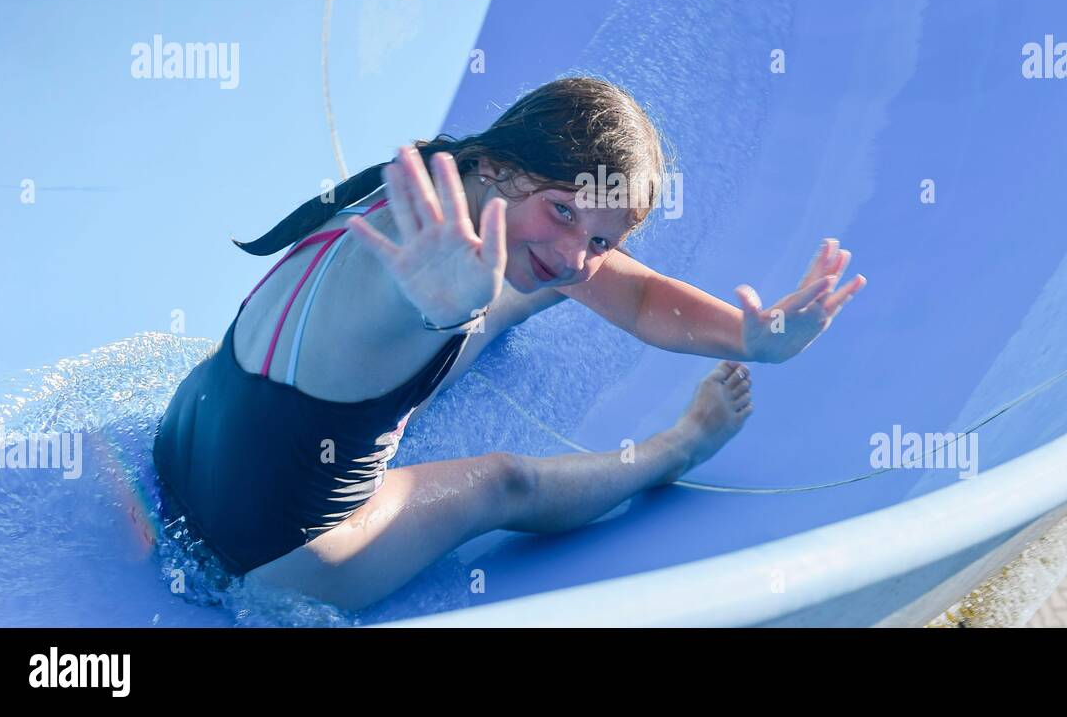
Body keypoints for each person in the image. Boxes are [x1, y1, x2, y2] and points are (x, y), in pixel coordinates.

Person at [153, 76, 865, 611]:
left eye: (600, 240)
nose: (575, 252)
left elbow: (640, 295)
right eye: (562, 212)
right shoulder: (426, 276)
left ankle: (493, 301)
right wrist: (448, 307)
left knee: (524, 281)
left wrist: (754, 337)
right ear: (496, 164)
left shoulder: (442, 176)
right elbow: (415, 301)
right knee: (500, 482)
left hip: (181, 448)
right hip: (278, 559)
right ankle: (676, 448)